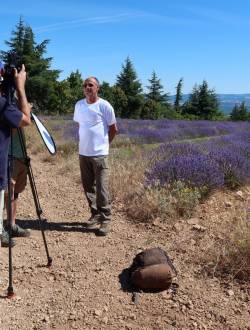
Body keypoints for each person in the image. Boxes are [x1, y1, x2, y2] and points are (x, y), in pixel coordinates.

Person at [73, 76, 118, 236]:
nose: (87, 87)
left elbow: (113, 129)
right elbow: (80, 125)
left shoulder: (105, 106)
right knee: (88, 187)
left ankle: (105, 220)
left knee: (102, 188)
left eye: (90, 85)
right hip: (83, 153)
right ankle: (95, 214)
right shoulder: (79, 105)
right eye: (85, 85)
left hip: (100, 155)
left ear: (97, 88)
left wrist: (105, 145)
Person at [0, 62, 31, 248]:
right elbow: (25, 120)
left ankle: (10, 225)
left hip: (12, 155)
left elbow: (9, 130)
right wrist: (20, 88)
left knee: (14, 190)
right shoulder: (3, 103)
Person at [4, 127, 31, 238]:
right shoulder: (7, 111)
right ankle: (1, 230)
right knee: (5, 193)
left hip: (20, 157)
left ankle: (12, 225)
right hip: (9, 156)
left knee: (15, 194)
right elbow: (14, 127)